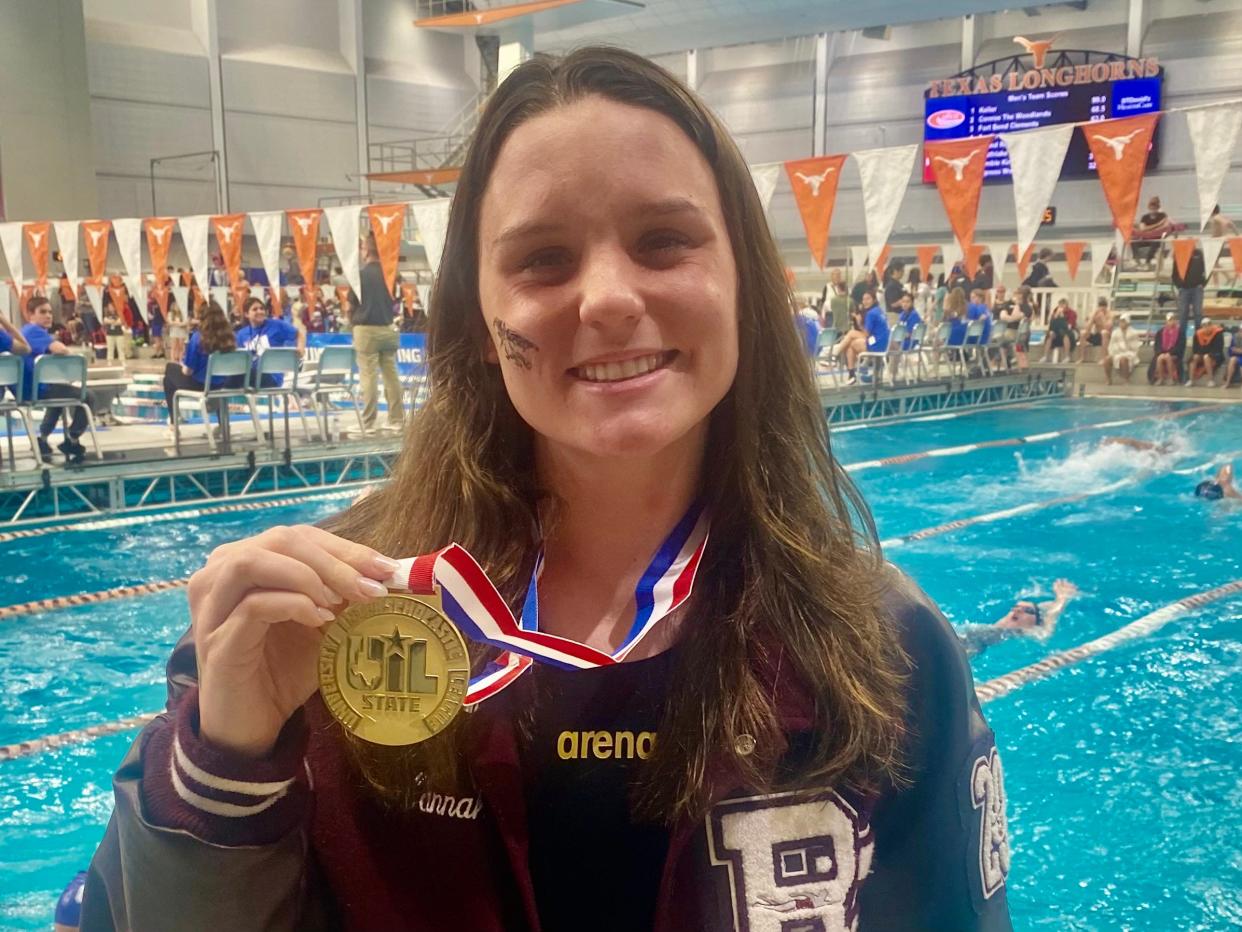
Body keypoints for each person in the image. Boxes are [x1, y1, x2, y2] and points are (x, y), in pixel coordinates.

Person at [83, 49, 1012, 931]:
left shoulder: (881, 647)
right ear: (481, 320)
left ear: (744, 286)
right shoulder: (319, 619)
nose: (606, 297)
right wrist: (224, 765)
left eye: (663, 241)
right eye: (542, 259)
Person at [21, 296, 97, 464]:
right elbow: (61, 350)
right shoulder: (33, 331)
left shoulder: (25, 331)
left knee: (58, 396)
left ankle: (42, 438)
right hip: (36, 390)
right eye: (43, 312)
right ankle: (72, 438)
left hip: (29, 389)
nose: (48, 316)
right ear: (30, 315)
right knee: (88, 396)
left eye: (50, 312)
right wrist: (72, 356)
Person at [161, 301, 240, 436]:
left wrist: (182, 365)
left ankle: (174, 426)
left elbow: (188, 371)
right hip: (224, 385)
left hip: (202, 386)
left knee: (169, 375)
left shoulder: (198, 338)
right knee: (215, 381)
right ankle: (223, 425)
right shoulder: (230, 338)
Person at [353, 234, 405, 435]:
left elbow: (349, 305)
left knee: (369, 376)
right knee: (391, 375)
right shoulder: (390, 274)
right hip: (388, 328)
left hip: (366, 329)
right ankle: (397, 419)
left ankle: (368, 423)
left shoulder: (359, 275)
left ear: (365, 250)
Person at [958, 580, 1078, 658]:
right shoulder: (991, 628)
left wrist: (1062, 599)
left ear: (1035, 624)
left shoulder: (1023, 633)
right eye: (1015, 607)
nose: (1018, 610)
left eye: (1028, 611)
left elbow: (1045, 633)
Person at [235, 296, 299, 387]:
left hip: (272, 376)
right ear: (246, 314)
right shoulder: (241, 334)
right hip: (251, 376)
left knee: (238, 376)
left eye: (262, 308)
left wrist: (300, 348)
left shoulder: (276, 325)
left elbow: (300, 334)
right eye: (255, 309)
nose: (260, 311)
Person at [1171, 243, 1207, 337]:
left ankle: (1198, 337)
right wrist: (1180, 286)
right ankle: (1181, 338)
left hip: (1197, 288)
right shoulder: (1180, 255)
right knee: (1183, 314)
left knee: (1198, 313)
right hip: (1184, 289)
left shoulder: (1199, 254)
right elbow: (1174, 274)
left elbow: (1207, 269)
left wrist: (1203, 284)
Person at [1101, 314, 1142, 385]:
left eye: (1123, 321)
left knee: (1123, 359)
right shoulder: (1115, 332)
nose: (1121, 323)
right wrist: (1114, 353)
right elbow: (1111, 345)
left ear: (1128, 322)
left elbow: (1135, 348)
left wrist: (1125, 348)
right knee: (1107, 359)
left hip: (1130, 353)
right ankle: (1108, 379)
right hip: (1117, 353)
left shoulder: (1133, 333)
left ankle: (1126, 380)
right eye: (1120, 321)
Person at [1186, 317, 1224, 387]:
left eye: (1208, 326)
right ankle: (1191, 380)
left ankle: (1210, 380)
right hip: (1202, 354)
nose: (1207, 328)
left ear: (1211, 325)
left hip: (1216, 355)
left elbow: (1218, 348)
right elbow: (1195, 349)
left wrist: (1206, 353)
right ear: (1202, 327)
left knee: (1206, 357)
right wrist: (1200, 354)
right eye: (1205, 326)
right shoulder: (1198, 334)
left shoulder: (1218, 333)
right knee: (1195, 357)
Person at [1132, 196, 1170, 268]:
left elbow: (1165, 226)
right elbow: (1142, 228)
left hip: (1157, 238)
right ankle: (1137, 261)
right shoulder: (1145, 217)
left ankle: (1147, 262)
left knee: (1155, 242)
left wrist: (1149, 229)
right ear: (1149, 207)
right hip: (1146, 238)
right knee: (1133, 241)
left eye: (1155, 206)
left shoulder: (1162, 215)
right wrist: (1158, 225)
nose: (1153, 208)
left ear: (1158, 207)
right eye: (1151, 206)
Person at [1077, 296, 1113, 363]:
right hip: (1097, 336)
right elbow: (1087, 328)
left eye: (1103, 308)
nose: (1101, 310)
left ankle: (1104, 358)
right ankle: (1082, 357)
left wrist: (1102, 318)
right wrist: (1092, 317)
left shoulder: (1110, 314)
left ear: (1106, 307)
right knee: (1082, 333)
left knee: (1104, 332)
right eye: (1100, 308)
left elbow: (1108, 328)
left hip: (1107, 337)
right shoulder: (1095, 314)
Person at [1151, 313, 1184, 386]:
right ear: (1166, 322)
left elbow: (1180, 346)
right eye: (1170, 320)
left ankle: (1171, 378)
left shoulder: (1180, 332)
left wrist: (1170, 352)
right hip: (1162, 353)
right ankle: (1161, 378)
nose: (1172, 322)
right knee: (1160, 358)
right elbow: (1157, 345)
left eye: (1173, 320)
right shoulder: (1160, 332)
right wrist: (1161, 352)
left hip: (1175, 354)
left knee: (1167, 357)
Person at [1042, 299, 1075, 363]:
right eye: (1060, 305)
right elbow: (1051, 325)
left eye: (1063, 305)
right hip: (1056, 332)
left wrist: (1062, 317)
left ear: (1066, 305)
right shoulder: (1055, 312)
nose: (1061, 307)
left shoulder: (1071, 313)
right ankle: (1045, 356)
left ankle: (1067, 356)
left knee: (1065, 335)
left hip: (1068, 333)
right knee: (1050, 334)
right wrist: (1056, 315)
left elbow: (1069, 327)